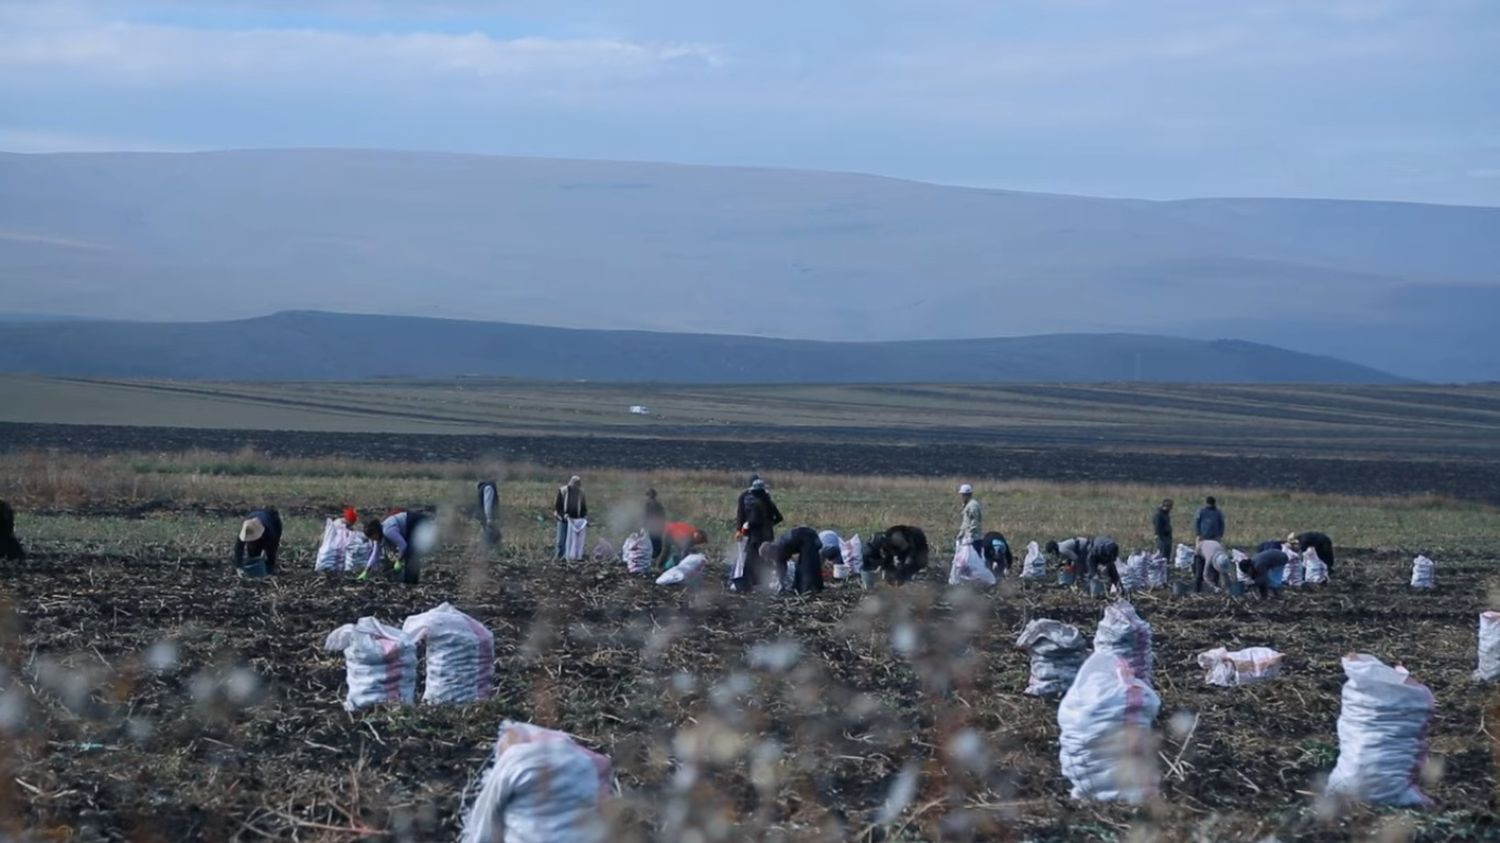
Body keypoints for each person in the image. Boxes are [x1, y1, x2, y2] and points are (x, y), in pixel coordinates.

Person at [731, 478, 783, 592]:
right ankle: (764, 582)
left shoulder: (756, 504)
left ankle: (750, 583)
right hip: (768, 537)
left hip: (755, 538)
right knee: (764, 559)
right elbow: (779, 518)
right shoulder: (769, 502)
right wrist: (769, 524)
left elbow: (753, 521)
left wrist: (743, 529)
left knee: (751, 561)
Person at [360, 509, 429, 584]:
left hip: (415, 523)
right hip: (408, 527)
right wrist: (366, 571)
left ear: (376, 532)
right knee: (407, 554)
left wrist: (399, 560)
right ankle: (409, 580)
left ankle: (411, 583)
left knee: (410, 553)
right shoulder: (378, 537)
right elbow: (375, 554)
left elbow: (403, 545)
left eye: (372, 537)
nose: (372, 539)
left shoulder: (388, 531)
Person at [764, 526, 826, 595]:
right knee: (806, 566)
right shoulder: (779, 543)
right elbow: (782, 565)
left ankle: (809, 590)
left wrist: (781, 583)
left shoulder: (777, 549)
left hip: (807, 539)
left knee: (807, 569)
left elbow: (781, 567)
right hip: (808, 537)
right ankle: (810, 587)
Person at [233, 508, 283, 573]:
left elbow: (272, 550)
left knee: (270, 552)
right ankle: (254, 569)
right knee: (253, 554)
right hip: (254, 516)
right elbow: (238, 548)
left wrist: (269, 567)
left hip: (273, 521)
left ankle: (268, 570)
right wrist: (239, 567)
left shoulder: (270, 532)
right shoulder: (246, 528)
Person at [553, 476, 588, 561]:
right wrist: (564, 515)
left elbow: (583, 508)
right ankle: (559, 557)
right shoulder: (563, 491)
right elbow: (558, 507)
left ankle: (569, 557)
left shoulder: (581, 493)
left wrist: (584, 518)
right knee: (561, 540)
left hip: (575, 521)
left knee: (572, 541)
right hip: (563, 519)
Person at [958, 484, 982, 554]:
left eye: (963, 495)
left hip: (974, 538)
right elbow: (966, 522)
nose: (961, 497)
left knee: (976, 557)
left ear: (968, 495)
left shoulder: (973, 505)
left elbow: (975, 520)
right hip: (967, 537)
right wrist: (961, 533)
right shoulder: (967, 505)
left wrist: (971, 534)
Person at [644, 489, 668, 562]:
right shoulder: (659, 504)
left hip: (653, 524)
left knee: (652, 540)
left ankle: (654, 556)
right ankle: (658, 555)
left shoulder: (648, 504)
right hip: (659, 524)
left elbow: (646, 515)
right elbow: (663, 515)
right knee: (658, 540)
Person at [476, 480, 500, 547]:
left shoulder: (482, 488)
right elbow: (488, 503)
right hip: (489, 520)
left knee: (488, 537)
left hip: (483, 518)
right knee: (492, 539)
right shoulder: (489, 487)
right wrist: (489, 518)